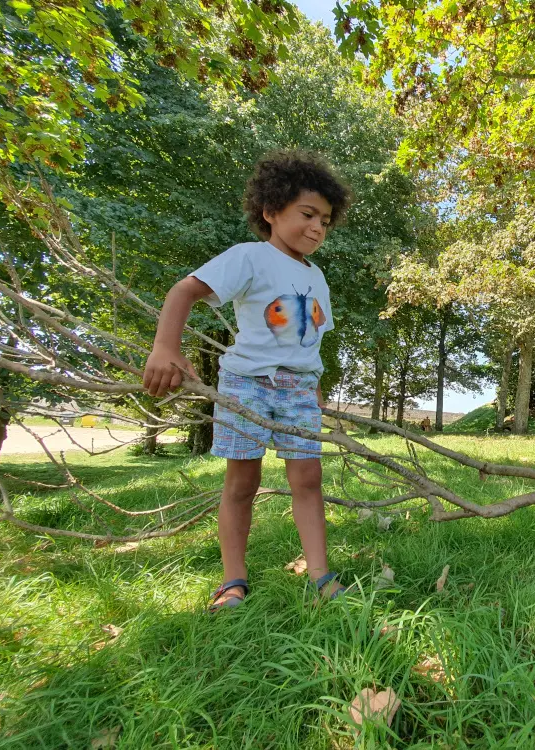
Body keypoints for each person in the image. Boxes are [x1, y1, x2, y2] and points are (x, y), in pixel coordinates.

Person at [142, 150, 352, 612]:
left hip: (299, 390)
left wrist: (315, 385)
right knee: (242, 482)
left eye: (326, 220)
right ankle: (233, 582)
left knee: (308, 480)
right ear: (271, 210)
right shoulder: (250, 257)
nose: (318, 227)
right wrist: (165, 349)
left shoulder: (318, 277)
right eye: (308, 214)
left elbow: (310, 338)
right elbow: (185, 290)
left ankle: (321, 576)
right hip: (248, 385)